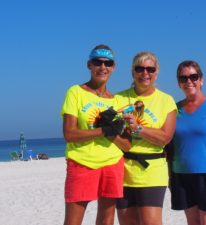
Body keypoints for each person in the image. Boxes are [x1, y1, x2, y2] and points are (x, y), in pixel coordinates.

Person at [61, 44, 131, 225]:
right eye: (97, 62)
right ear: (89, 65)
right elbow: (69, 134)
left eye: (108, 63)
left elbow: (127, 144)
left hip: (112, 162)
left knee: (106, 220)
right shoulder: (75, 92)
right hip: (82, 162)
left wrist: (114, 133)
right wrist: (103, 130)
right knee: (73, 221)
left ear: (113, 67)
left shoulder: (116, 100)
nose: (103, 67)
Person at [115, 51, 177, 225]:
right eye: (139, 69)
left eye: (150, 69)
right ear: (132, 72)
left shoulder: (166, 100)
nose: (145, 73)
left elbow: (165, 137)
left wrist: (138, 129)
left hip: (153, 171)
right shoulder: (118, 98)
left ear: (156, 73)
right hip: (123, 171)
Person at [167, 60, 206, 225]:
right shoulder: (174, 110)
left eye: (193, 76)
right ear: (179, 83)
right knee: (192, 222)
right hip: (181, 175)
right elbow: (167, 142)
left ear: (201, 80)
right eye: (183, 78)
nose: (189, 81)